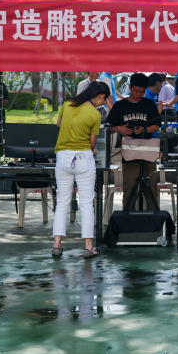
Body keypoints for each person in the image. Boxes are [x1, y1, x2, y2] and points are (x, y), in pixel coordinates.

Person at [52, 81, 110, 258]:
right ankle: (88, 247)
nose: (104, 103)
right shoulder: (95, 114)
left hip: (63, 158)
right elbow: (92, 143)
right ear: (101, 96)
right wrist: (91, 148)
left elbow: (59, 124)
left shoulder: (67, 104)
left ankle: (57, 245)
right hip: (83, 159)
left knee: (62, 202)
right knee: (86, 203)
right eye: (104, 100)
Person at [106, 73, 162, 210]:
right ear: (130, 87)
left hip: (149, 152)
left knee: (151, 188)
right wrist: (118, 128)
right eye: (136, 91)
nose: (139, 94)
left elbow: (156, 126)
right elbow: (107, 128)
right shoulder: (120, 106)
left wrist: (144, 129)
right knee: (129, 188)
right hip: (129, 154)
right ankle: (128, 218)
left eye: (142, 92)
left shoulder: (149, 104)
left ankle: (152, 218)